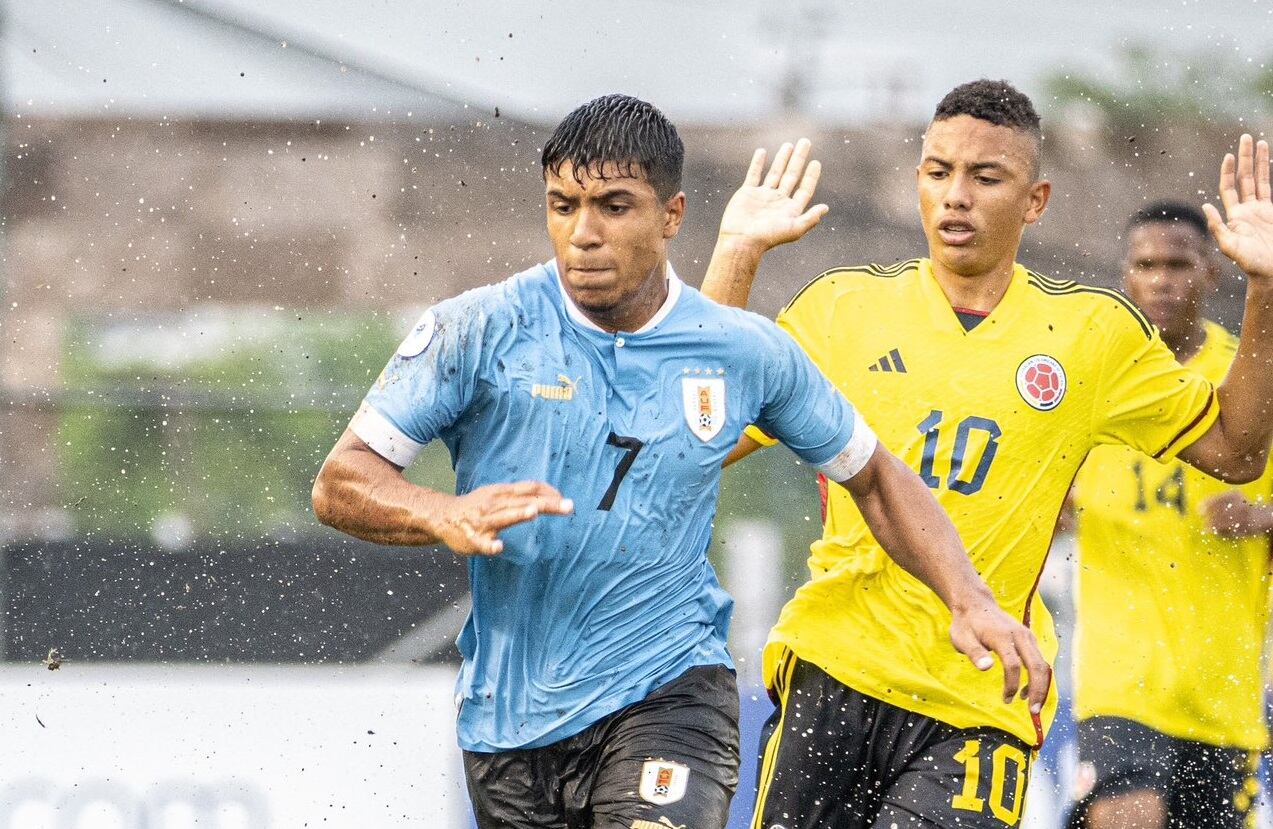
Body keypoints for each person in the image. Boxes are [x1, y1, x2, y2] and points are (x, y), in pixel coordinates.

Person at [310, 94, 1046, 829]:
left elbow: (875, 475)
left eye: (613, 206)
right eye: (562, 205)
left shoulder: (744, 351)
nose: (583, 234)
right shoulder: (475, 329)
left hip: (670, 693)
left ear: (671, 214)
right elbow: (343, 481)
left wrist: (968, 596)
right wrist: (443, 511)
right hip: (511, 724)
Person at [700, 78, 1273, 828]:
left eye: (984, 176)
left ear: (1034, 201)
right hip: (832, 673)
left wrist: (1264, 284)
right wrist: (736, 254)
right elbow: (698, 434)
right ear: (916, 183)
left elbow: (1234, 446)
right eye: (938, 172)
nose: (955, 197)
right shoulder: (839, 310)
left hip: (980, 696)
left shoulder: (1091, 337)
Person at [1065, 201, 1273, 829]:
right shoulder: (1093, 384)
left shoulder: (1250, 382)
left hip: (1222, 696)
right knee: (1131, 813)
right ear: (1125, 276)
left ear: (1212, 271)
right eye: (1146, 265)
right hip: (1118, 686)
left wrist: (1264, 518)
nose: (1160, 280)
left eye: (1177, 264)